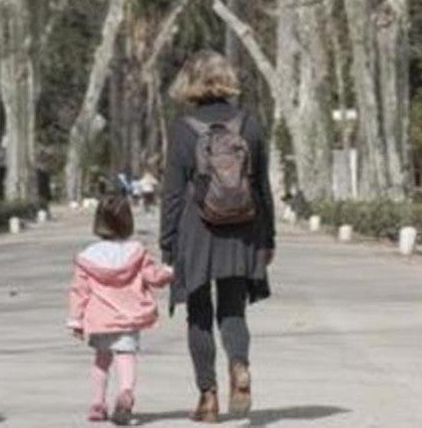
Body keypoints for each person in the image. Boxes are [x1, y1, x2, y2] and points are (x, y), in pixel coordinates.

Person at [159, 50, 275, 423]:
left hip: (197, 231)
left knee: (198, 314)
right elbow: (262, 187)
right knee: (232, 309)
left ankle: (207, 397)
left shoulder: (183, 128)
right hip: (242, 229)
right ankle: (239, 366)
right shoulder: (249, 124)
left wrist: (167, 242)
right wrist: (267, 237)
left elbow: (173, 192)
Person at [67, 197, 174, 425]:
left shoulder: (88, 257)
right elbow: (153, 277)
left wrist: (76, 320)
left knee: (101, 360)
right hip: (128, 317)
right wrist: (168, 271)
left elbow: (80, 291)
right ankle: (126, 392)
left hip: (100, 318)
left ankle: (97, 403)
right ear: (128, 221)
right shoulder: (136, 252)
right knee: (126, 356)